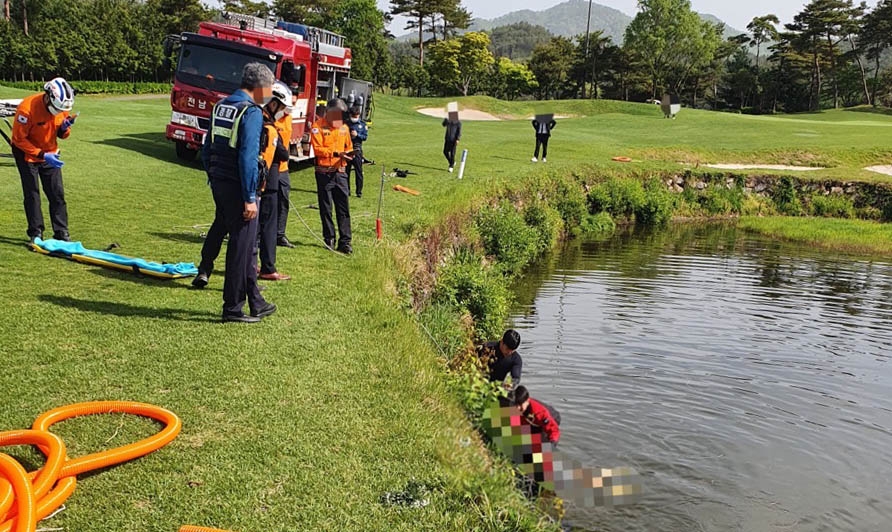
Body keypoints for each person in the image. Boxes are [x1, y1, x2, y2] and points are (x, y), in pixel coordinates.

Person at [201, 63, 277, 323]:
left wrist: (213, 176)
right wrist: (249, 197)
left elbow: (206, 147)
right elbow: (247, 157)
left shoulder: (221, 106)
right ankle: (233, 308)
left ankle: (256, 301)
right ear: (261, 88)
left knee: (243, 246)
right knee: (240, 248)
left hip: (219, 182)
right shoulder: (252, 111)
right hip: (240, 186)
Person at [11, 78, 76, 242]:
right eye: (55, 109)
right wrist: (41, 154)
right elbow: (19, 140)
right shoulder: (27, 109)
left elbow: (62, 134)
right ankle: (35, 232)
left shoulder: (62, 106)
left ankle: (61, 232)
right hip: (26, 154)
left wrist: (64, 128)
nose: (57, 112)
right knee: (32, 193)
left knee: (57, 193)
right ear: (48, 97)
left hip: (50, 153)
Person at [257, 82, 292, 282]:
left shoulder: (257, 118)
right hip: (268, 182)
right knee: (268, 227)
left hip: (258, 180)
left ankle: (252, 264)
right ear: (273, 104)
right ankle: (267, 268)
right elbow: (283, 153)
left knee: (255, 228)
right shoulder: (268, 124)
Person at [310, 99, 353, 254]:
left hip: (340, 172)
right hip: (324, 172)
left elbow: (349, 146)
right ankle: (329, 238)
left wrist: (349, 155)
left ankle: (345, 242)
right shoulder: (317, 127)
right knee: (326, 207)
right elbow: (318, 149)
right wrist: (335, 153)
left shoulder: (344, 128)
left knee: (343, 208)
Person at [276, 91, 297, 249]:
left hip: (283, 168)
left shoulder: (288, 118)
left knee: (284, 201)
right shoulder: (267, 118)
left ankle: (280, 234)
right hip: (269, 167)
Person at [346, 106, 368, 198]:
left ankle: (359, 191)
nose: (355, 118)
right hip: (347, 149)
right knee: (346, 172)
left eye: (356, 116)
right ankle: (347, 190)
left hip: (357, 149)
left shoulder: (362, 124)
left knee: (358, 171)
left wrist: (357, 135)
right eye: (353, 116)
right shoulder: (346, 124)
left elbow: (365, 137)